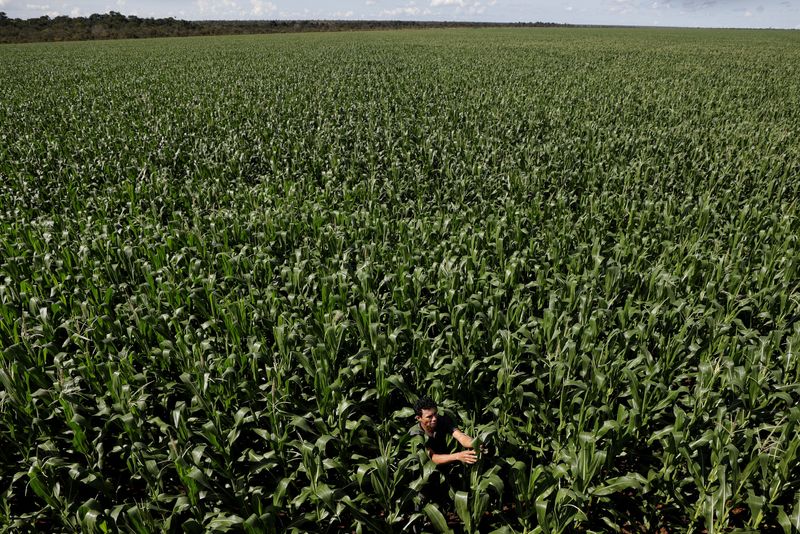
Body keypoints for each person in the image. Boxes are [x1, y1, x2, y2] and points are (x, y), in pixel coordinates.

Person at [409, 396, 478, 510]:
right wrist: (458, 456)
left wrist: (475, 443)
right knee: (420, 506)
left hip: (442, 471)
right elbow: (432, 458)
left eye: (435, 413)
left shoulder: (441, 421)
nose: (434, 418)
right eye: (429, 417)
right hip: (422, 477)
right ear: (418, 418)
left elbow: (460, 436)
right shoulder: (416, 434)